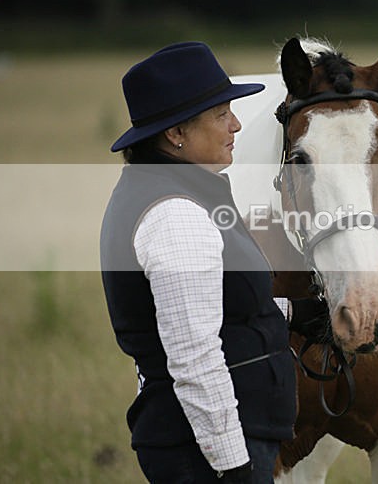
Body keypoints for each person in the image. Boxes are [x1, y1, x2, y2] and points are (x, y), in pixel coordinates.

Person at [100, 42, 299, 483]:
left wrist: (295, 313)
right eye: (221, 114)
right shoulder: (176, 216)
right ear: (176, 134)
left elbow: (212, 311)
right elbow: (194, 357)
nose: (236, 124)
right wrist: (234, 466)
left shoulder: (172, 192)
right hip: (205, 455)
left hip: (206, 445)